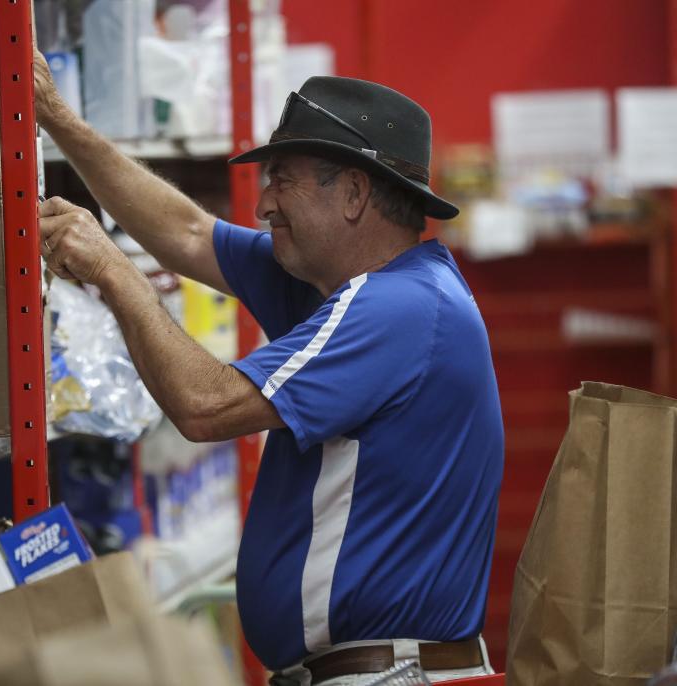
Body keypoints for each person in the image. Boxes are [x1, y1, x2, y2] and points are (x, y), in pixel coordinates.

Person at [33, 54, 504, 686]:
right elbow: (190, 233)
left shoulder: (398, 309)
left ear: (356, 194)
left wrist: (113, 269)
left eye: (283, 180)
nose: (263, 205)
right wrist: (54, 116)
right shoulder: (341, 284)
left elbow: (205, 406)